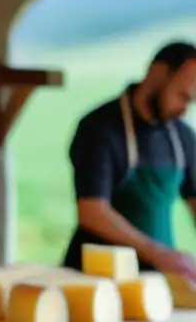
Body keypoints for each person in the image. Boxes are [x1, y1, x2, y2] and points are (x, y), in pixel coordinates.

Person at [63, 40, 196, 278]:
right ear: (157, 73)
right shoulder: (99, 129)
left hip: (158, 278)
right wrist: (157, 253)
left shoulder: (182, 136)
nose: (184, 110)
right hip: (96, 278)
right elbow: (92, 211)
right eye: (182, 96)